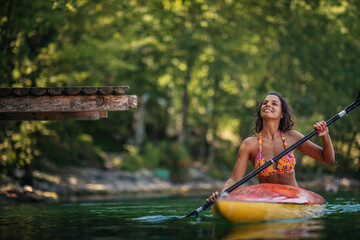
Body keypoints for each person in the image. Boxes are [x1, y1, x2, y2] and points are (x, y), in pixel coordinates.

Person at [207, 92, 335, 202]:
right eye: (265, 103)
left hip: (293, 199)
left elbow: (328, 159)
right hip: (267, 201)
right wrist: (222, 195)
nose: (268, 104)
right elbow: (235, 179)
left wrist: (325, 136)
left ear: (282, 114)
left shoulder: (293, 137)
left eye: (274, 103)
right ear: (260, 111)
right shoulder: (249, 144)